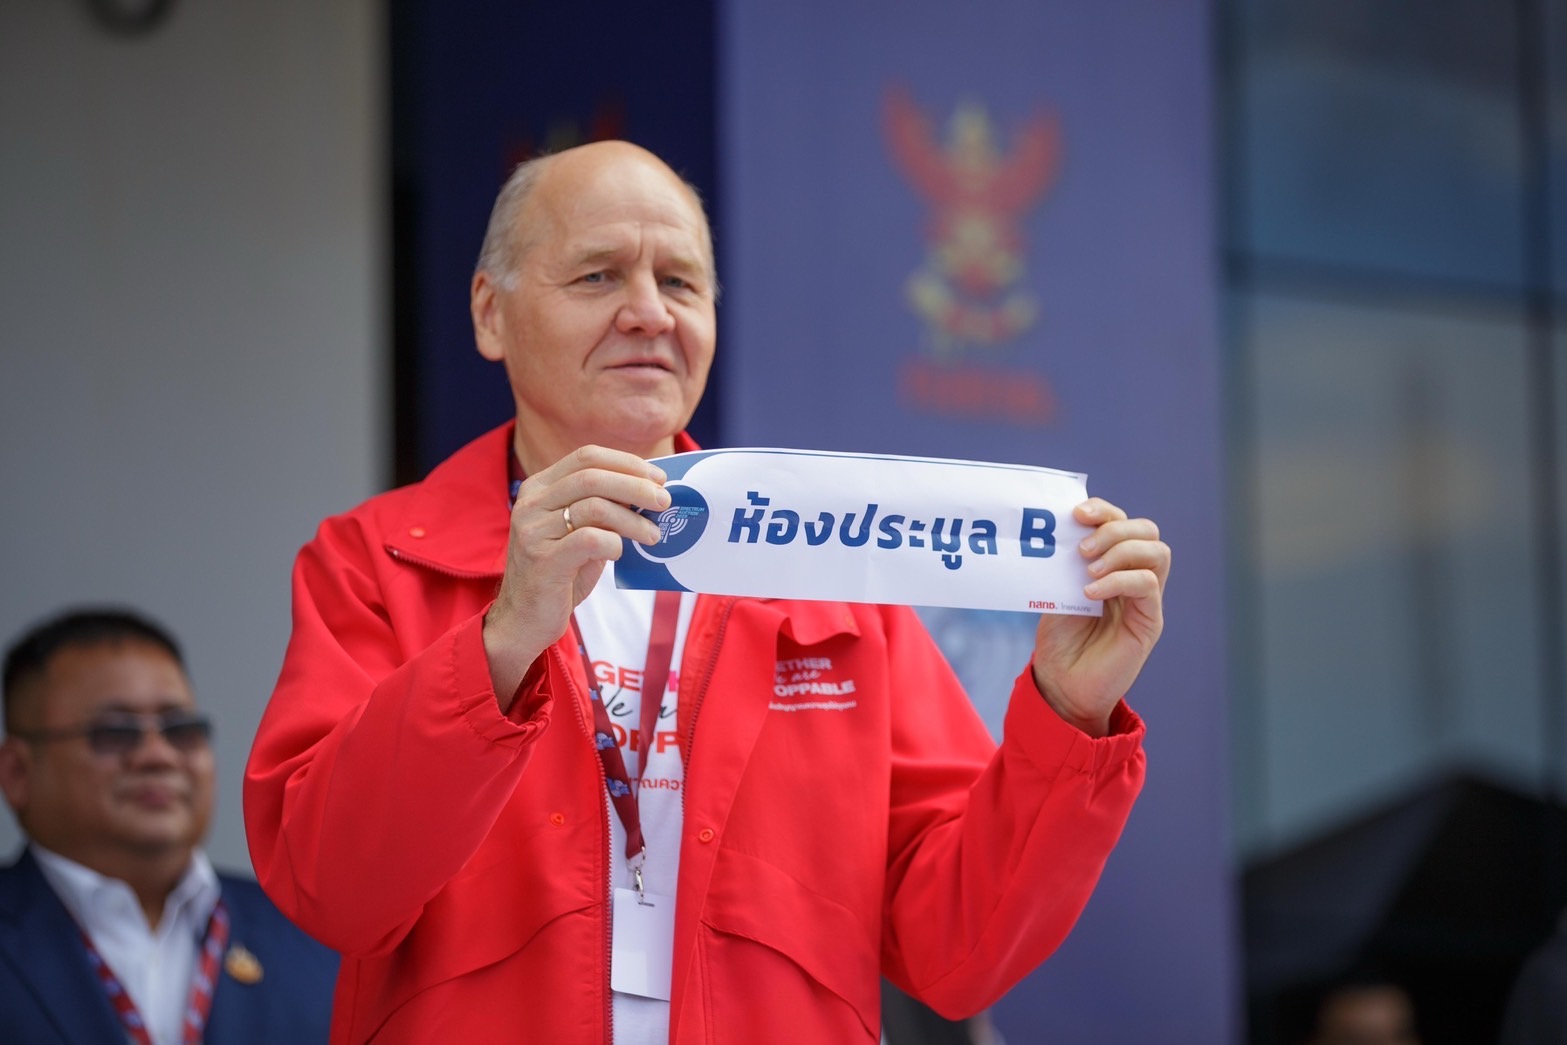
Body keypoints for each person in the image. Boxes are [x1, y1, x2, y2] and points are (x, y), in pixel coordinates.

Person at [244, 139, 1168, 1043]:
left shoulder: (828, 570)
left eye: (680, 282)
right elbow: (332, 886)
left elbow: (956, 949)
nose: (649, 312)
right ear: (491, 314)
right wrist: (501, 642)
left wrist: (1068, 714)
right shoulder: (376, 561)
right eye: (598, 275)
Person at [0, 607, 338, 1044]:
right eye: (115, 731)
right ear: (17, 773)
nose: (158, 755)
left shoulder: (314, 938)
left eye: (180, 729)